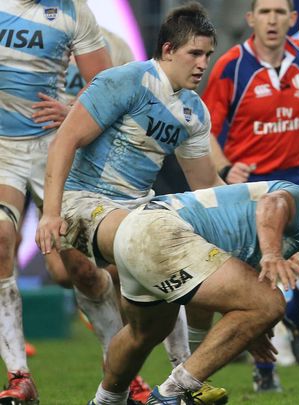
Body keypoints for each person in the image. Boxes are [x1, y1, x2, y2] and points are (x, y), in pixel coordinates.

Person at [34, 3, 227, 403]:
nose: (203, 64)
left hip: (135, 210)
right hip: (83, 201)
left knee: (158, 279)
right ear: (169, 49)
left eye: (208, 55)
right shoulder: (124, 81)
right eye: (195, 53)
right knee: (158, 244)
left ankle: (130, 393)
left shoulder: (193, 111)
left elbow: (206, 185)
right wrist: (51, 213)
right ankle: (183, 379)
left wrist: (254, 213)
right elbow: (66, 140)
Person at [86, 181, 299, 404]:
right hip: (162, 231)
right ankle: (171, 395)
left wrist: (251, 329)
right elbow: (272, 203)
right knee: (271, 303)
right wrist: (271, 254)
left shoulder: (278, 234)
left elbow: (228, 289)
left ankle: (105, 400)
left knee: (142, 333)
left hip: (136, 230)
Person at [201, 0, 299, 389]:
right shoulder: (231, 65)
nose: (272, 19)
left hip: (296, 181)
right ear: (251, 19)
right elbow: (206, 128)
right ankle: (266, 371)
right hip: (250, 190)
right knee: (259, 285)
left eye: (279, 12)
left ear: (293, 20)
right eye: (264, 11)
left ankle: (295, 315)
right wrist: (223, 169)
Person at [0, 1, 111, 402]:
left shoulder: (73, 11)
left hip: (53, 148)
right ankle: (19, 377)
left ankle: (120, 373)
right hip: (3, 151)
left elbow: (103, 81)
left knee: (78, 268)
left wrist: (71, 110)